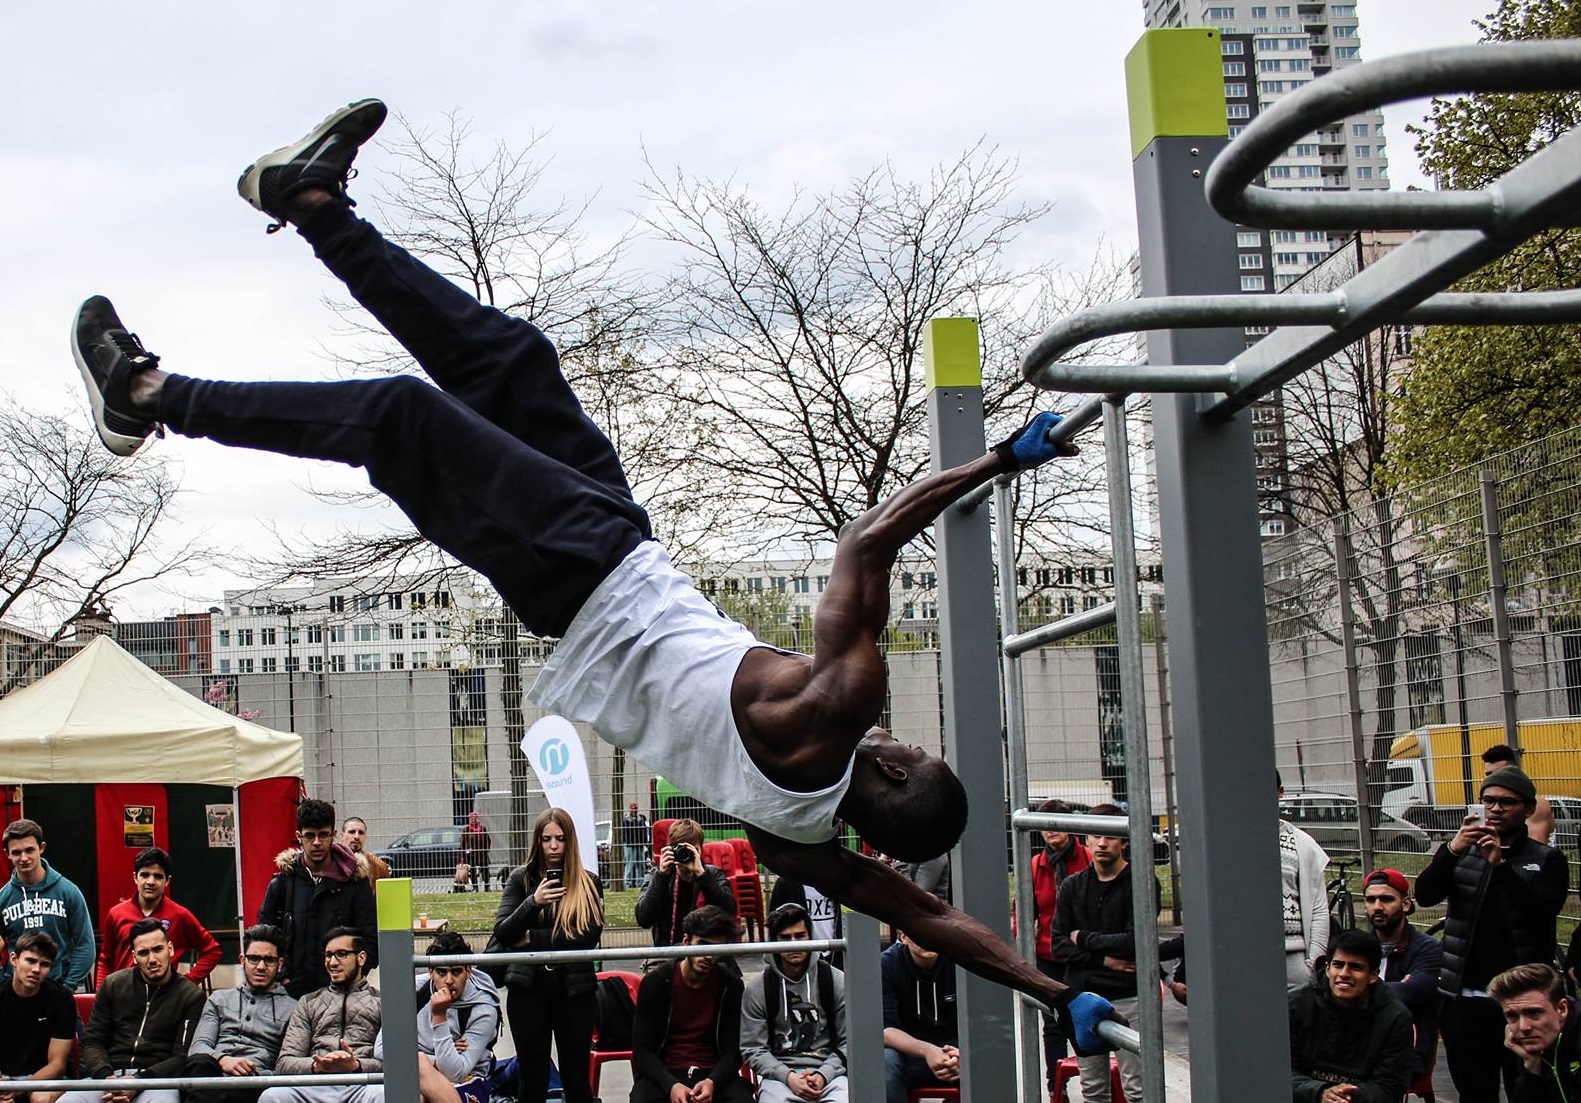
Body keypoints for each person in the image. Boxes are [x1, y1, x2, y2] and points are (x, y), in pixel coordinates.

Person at [70, 96, 1110, 1045]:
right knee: (509, 360)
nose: (901, 736)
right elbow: (934, 913)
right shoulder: (803, 841)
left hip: (590, 567)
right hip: (613, 548)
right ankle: (308, 202)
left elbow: (864, 543)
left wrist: (994, 462)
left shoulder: (838, 706)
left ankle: (153, 394)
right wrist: (1055, 990)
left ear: (887, 770)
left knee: (400, 417)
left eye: (910, 749)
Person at [1416, 765, 1568, 1103]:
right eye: (1489, 801)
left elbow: (1540, 912)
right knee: (1473, 1092)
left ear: (1528, 810)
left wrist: (1500, 866)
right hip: (1464, 999)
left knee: (1526, 1090)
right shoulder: (1463, 850)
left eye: (1507, 802)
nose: (1496, 809)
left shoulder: (1547, 860)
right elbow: (1425, 894)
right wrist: (1453, 849)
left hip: (1519, 1002)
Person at [490, 809, 602, 1103]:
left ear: (570, 842)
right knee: (532, 1075)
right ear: (537, 842)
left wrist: (532, 938)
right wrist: (534, 902)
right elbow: (503, 932)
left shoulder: (588, 882)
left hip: (575, 989)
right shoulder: (520, 879)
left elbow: (587, 936)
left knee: (577, 1076)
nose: (553, 846)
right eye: (546, 839)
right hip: (527, 987)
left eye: (560, 839)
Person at [1048, 805, 1155, 1103]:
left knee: (1139, 1089)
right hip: (1084, 1000)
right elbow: (1058, 945)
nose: (1103, 843)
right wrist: (1104, 958)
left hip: (1130, 997)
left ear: (1125, 840)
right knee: (1093, 1089)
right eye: (1096, 836)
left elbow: (1138, 941)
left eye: (1111, 836)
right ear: (1086, 840)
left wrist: (1084, 938)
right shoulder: (1072, 886)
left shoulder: (1142, 883)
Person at [59, 920, 206, 1103]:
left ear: (170, 949)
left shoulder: (191, 996)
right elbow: (92, 1042)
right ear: (134, 957)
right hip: (107, 1077)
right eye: (143, 953)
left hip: (157, 1082)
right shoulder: (113, 985)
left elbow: (182, 1057)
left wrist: (138, 1082)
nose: (152, 959)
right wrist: (107, 1079)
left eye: (157, 949)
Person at [357, 929, 501, 1103]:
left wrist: (439, 1016)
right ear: (431, 972)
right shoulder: (415, 990)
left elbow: (455, 1072)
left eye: (456, 972)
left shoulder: (483, 1008)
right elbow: (382, 1049)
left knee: (416, 1063)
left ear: (468, 971)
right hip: (420, 1076)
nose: (448, 980)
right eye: (441, 972)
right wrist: (436, 1058)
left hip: (469, 1080)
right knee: (415, 1085)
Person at [256, 800, 379, 998]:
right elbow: (264, 936)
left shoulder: (355, 883)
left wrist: (351, 978)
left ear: (333, 835)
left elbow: (371, 938)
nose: (316, 842)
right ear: (299, 836)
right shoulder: (283, 883)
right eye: (309, 835)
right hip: (290, 993)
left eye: (323, 835)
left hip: (342, 994)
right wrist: (283, 977)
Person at [631, 905, 753, 1103]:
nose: (707, 955)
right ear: (686, 941)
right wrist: (670, 1084)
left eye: (715, 948)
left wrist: (712, 1081)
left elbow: (735, 1050)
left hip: (714, 1074)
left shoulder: (730, 985)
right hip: (666, 1074)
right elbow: (642, 1051)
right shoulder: (656, 983)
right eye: (702, 944)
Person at [1288, 929, 1414, 1103]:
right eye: (1338, 965)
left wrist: (1343, 1098)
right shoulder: (1296, 1005)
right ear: (1327, 969)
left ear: (1373, 975)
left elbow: (1390, 1086)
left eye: (1356, 967)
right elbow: (1280, 1072)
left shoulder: (1396, 1017)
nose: (1344, 974)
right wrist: (1320, 1093)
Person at [741, 902, 848, 1103]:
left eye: (800, 936)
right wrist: (788, 1077)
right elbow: (753, 1048)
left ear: (810, 937)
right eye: (785, 938)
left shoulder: (835, 980)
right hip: (779, 1078)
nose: (794, 944)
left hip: (832, 1074)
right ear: (774, 941)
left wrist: (824, 1074)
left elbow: (850, 1041)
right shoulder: (758, 989)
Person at [259, 929, 381, 1103]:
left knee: (383, 1095)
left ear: (361, 958)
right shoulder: (308, 1002)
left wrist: (356, 1065)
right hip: (314, 1084)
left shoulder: (381, 1002)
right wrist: (317, 1065)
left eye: (341, 954)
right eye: (328, 955)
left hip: (363, 1085)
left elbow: (396, 1063)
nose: (332, 962)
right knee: (272, 1096)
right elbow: (285, 1062)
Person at [183, 925, 298, 1103]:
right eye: (254, 959)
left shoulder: (293, 1008)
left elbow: (287, 1063)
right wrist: (223, 1060)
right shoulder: (219, 999)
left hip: (254, 1081)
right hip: (211, 1074)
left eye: (269, 960)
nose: (261, 966)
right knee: (199, 1063)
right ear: (242, 960)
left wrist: (255, 1073)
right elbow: (198, 1047)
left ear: (280, 964)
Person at [1028, 797, 1093, 1096]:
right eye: (1044, 825)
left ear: (1069, 826)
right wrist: (1023, 939)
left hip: (1081, 953)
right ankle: (1056, 1086)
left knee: (1085, 1017)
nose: (1050, 830)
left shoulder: (1088, 858)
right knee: (1052, 1023)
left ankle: (1097, 1081)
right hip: (1047, 953)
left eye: (1056, 823)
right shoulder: (1035, 865)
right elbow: (1025, 908)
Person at [97, 847, 222, 989]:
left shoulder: (179, 915)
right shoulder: (116, 914)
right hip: (123, 995)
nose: (150, 881)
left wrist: (187, 982)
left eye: (158, 876)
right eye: (144, 875)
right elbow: (105, 959)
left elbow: (213, 951)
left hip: (164, 998)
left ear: (167, 881)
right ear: (135, 877)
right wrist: (100, 994)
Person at [1361, 868, 1441, 1082]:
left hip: (1404, 1053)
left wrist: (1357, 989)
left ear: (1406, 904)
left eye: (1386, 899)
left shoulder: (1428, 949)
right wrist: (1396, 987)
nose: (1377, 907)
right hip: (1357, 1049)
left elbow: (1409, 995)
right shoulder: (1358, 947)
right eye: (1370, 900)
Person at [0, 820, 95, 992]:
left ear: (41, 848)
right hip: (15, 993)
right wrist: (2, 985)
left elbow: (85, 945)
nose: (24, 858)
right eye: (16, 852)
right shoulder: (3, 899)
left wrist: (67, 988)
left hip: (57, 988)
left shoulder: (69, 892)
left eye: (29, 850)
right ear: (7, 853)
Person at [881, 929, 958, 1103]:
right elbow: (886, 1030)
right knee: (886, 1062)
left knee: (987, 1054)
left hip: (954, 1049)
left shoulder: (959, 959)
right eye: (919, 932)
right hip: (908, 1051)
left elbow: (979, 1022)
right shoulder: (887, 964)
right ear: (904, 937)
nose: (927, 939)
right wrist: (927, 1050)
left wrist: (962, 1056)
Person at [636, 819, 736, 949]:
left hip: (707, 952)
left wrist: (702, 875)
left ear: (701, 850)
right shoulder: (658, 875)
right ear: (671, 850)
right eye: (681, 850)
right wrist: (661, 876)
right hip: (668, 953)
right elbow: (644, 919)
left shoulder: (713, 874)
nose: (686, 855)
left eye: (693, 850)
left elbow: (729, 912)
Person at [0, 932, 76, 1103]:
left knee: (41, 1098)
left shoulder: (61, 1000)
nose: (36, 970)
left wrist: (20, 1089)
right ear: (14, 959)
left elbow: (57, 1065)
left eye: (44, 964)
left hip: (46, 1079)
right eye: (30, 961)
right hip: (5, 1078)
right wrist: (3, 1087)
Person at [1489, 963, 1580, 1103]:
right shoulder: (1531, 1046)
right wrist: (1531, 1067)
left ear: (1562, 1009)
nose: (1524, 1027)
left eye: (1534, 1013)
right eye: (1512, 1016)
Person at [1277, 773, 1330, 988]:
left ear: (1280, 792)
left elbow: (1319, 908)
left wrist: (1313, 963)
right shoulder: (1232, 841)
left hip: (1294, 957)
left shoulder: (1301, 843)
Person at [1483, 746, 1555, 845]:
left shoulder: (1536, 804)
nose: (1494, 778)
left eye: (1501, 773)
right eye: (1489, 774)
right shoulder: (1489, 803)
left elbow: (1536, 853)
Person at [768, 875, 843, 968]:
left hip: (837, 955)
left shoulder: (839, 883)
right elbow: (774, 924)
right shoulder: (786, 884)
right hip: (800, 960)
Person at [340, 819, 390, 884]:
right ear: (342, 836)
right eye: (352, 832)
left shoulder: (379, 867)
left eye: (361, 832)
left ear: (365, 837)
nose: (357, 837)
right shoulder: (331, 862)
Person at [621, 803, 650, 891]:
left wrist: (645, 843)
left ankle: (640, 882)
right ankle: (628, 883)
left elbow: (644, 831)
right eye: (633, 808)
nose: (634, 810)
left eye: (635, 808)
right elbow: (624, 832)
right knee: (630, 864)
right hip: (630, 845)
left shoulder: (641, 819)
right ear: (630, 809)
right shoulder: (626, 820)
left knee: (640, 864)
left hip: (639, 844)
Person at [460, 814, 491, 893]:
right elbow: (463, 843)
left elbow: (488, 840)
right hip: (471, 854)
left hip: (482, 854)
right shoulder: (466, 830)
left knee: (485, 870)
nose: (473, 820)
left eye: (474, 819)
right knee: (472, 871)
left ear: (477, 819)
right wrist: (463, 854)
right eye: (471, 819)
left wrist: (486, 849)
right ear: (469, 820)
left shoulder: (483, 829)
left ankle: (487, 887)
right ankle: (475, 887)